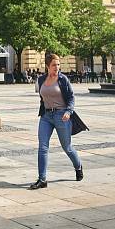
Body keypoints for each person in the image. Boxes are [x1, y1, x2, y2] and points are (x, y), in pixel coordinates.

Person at [30, 53, 83, 190]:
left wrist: (68, 111)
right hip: (46, 116)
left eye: (58, 65)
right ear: (47, 66)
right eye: (54, 65)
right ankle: (42, 179)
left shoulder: (63, 79)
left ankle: (78, 166)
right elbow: (42, 97)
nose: (57, 67)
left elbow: (71, 98)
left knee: (67, 147)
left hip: (62, 116)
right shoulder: (41, 79)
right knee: (42, 147)